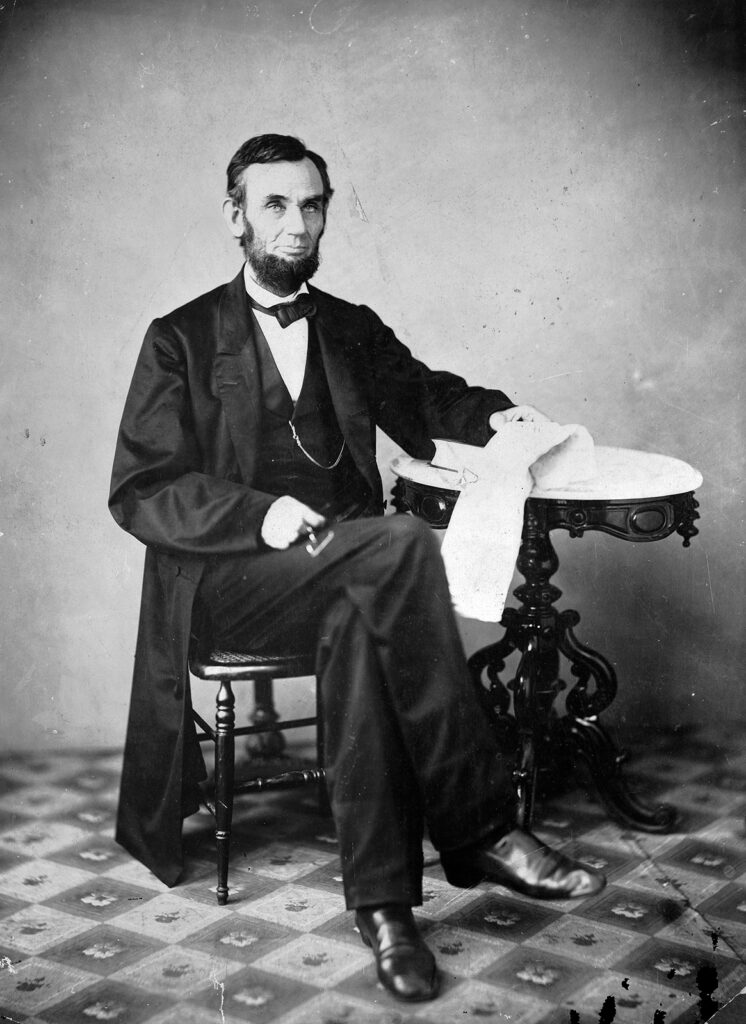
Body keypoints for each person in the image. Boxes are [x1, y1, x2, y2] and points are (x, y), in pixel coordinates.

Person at [109, 133, 605, 1003]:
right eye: (275, 205)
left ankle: (386, 914)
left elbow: (425, 398)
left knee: (366, 606)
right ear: (235, 217)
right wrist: (257, 514)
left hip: (346, 573)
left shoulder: (349, 327)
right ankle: (479, 826)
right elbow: (141, 488)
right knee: (405, 544)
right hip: (232, 587)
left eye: (312, 204)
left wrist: (503, 420)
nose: (298, 225)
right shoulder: (179, 339)